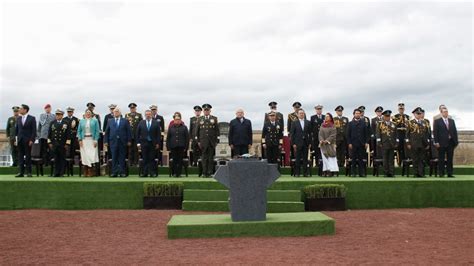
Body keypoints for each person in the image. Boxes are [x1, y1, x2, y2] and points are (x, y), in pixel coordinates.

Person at [104, 107, 132, 177]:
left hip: (122, 142)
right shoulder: (110, 121)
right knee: (114, 157)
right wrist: (105, 141)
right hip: (113, 142)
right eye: (115, 112)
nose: (116, 113)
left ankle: (122, 172)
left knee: (122, 157)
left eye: (117, 111)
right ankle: (114, 172)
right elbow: (107, 132)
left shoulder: (125, 121)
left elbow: (129, 131)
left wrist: (129, 140)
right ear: (113, 113)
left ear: (120, 113)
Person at [196, 104, 220, 177]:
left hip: (211, 142)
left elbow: (217, 131)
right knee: (204, 158)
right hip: (203, 142)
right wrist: (198, 141)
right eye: (205, 110)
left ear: (210, 111)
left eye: (208, 110)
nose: (206, 111)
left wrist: (217, 141)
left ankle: (209, 173)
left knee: (210, 158)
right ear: (203, 111)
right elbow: (197, 131)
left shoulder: (214, 119)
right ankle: (204, 172)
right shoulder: (200, 119)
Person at [433, 107, 458, 177]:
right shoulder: (437, 121)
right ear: (441, 113)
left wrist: (456, 142)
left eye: (447, 112)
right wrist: (436, 142)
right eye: (444, 112)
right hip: (441, 143)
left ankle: (450, 173)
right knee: (441, 159)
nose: (446, 113)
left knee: (450, 158)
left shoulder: (451, 121)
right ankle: (441, 173)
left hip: (450, 143)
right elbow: (435, 133)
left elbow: (454, 131)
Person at [406, 107, 431, 177]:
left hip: (423, 144)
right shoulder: (410, 123)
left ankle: (421, 173)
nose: (419, 115)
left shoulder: (425, 122)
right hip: (414, 144)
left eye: (420, 113)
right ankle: (416, 173)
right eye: (417, 114)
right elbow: (407, 135)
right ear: (414, 114)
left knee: (422, 159)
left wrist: (428, 143)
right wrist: (408, 143)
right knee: (415, 159)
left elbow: (427, 134)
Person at [136, 110, 161, 177]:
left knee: (151, 158)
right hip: (144, 144)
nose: (148, 115)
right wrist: (138, 143)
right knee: (145, 158)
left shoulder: (156, 123)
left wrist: (158, 143)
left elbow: (158, 134)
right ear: (145, 115)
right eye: (147, 114)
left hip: (153, 144)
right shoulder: (141, 122)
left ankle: (152, 172)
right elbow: (137, 133)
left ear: (151, 115)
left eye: (149, 114)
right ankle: (145, 172)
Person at [15, 104, 37, 177]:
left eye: (21, 109)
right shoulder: (18, 118)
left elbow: (34, 131)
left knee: (28, 157)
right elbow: (16, 130)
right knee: (20, 157)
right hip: (20, 140)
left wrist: (32, 140)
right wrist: (16, 140)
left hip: (28, 141)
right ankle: (21, 172)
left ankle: (29, 172)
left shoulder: (32, 118)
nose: (19, 110)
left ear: (25, 110)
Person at [77, 110, 100, 177]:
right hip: (84, 140)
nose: (88, 114)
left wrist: (95, 140)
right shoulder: (81, 121)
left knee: (91, 155)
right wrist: (80, 140)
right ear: (85, 114)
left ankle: (90, 170)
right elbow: (79, 131)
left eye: (89, 113)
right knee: (85, 155)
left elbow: (97, 131)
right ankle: (85, 170)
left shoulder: (95, 121)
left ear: (91, 114)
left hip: (92, 140)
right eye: (87, 113)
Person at [347, 108, 369, 177]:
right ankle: (353, 173)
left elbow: (366, 134)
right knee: (353, 159)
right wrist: (349, 143)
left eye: (359, 113)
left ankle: (361, 173)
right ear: (354, 114)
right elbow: (348, 134)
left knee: (361, 159)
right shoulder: (350, 123)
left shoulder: (364, 123)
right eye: (356, 113)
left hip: (361, 144)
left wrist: (366, 142)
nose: (358, 114)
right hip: (353, 144)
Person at [376, 110, 398, 177]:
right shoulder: (380, 124)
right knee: (385, 159)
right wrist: (379, 142)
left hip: (392, 143)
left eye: (388, 116)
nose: (387, 117)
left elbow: (396, 134)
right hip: (384, 143)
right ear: (384, 116)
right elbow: (378, 134)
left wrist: (397, 142)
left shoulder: (394, 124)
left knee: (391, 159)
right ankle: (386, 172)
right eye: (386, 116)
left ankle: (391, 172)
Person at [48, 109, 70, 177]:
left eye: (59, 114)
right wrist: (49, 142)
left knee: (62, 158)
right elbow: (49, 134)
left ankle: (62, 172)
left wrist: (67, 144)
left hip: (62, 144)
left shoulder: (66, 123)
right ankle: (56, 172)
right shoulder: (52, 123)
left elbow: (68, 134)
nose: (57, 116)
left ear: (62, 115)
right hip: (54, 143)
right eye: (56, 114)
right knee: (56, 158)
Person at [166, 112, 189, 177]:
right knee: (174, 160)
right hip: (173, 147)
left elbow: (187, 138)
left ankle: (179, 173)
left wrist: (186, 147)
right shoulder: (171, 127)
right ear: (174, 120)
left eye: (178, 119)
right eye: (176, 119)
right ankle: (174, 173)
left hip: (181, 147)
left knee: (180, 161)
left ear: (180, 120)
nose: (177, 121)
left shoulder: (184, 127)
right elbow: (168, 138)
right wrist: (168, 147)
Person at [290, 109, 311, 177]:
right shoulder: (294, 123)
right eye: (300, 113)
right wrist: (293, 144)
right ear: (298, 115)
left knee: (305, 159)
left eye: (302, 113)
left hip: (306, 143)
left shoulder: (308, 122)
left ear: (304, 114)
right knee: (298, 159)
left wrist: (310, 143)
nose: (301, 114)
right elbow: (292, 134)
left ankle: (305, 173)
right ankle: (297, 173)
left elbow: (310, 134)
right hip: (297, 143)